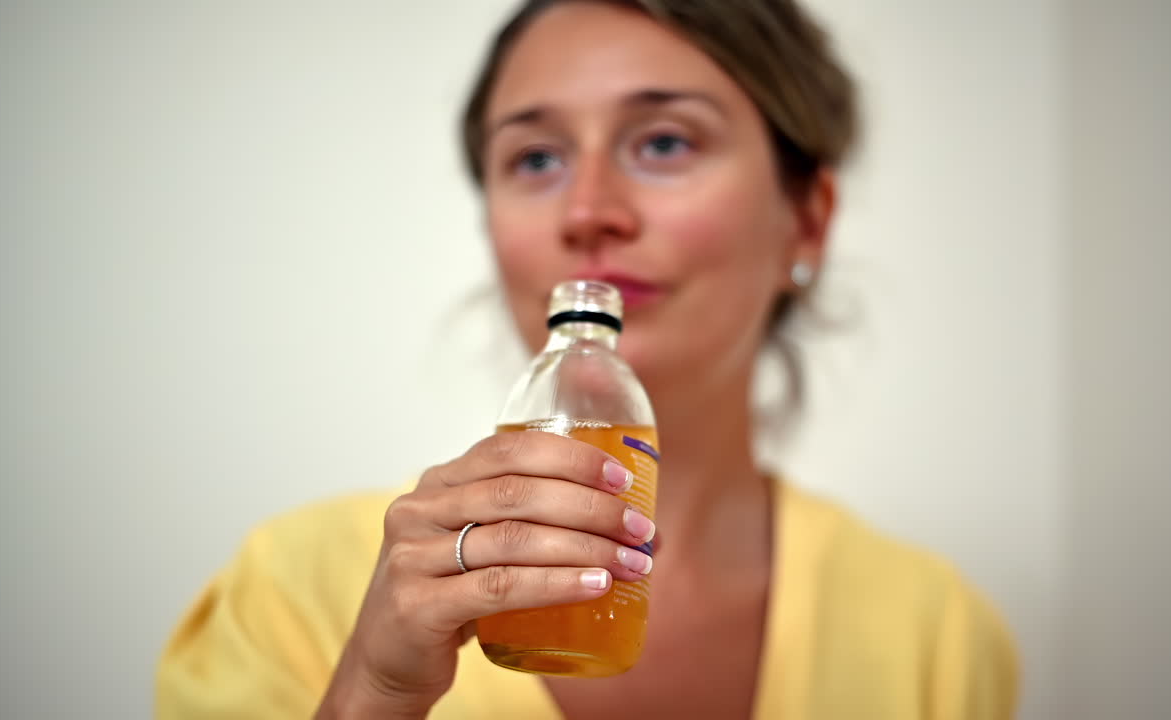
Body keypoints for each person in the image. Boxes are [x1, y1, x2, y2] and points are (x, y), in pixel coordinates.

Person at [156, 1, 1019, 717]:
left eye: (665, 143)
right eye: (536, 158)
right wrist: (374, 692)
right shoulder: (287, 593)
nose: (589, 210)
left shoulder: (936, 640)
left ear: (808, 219)